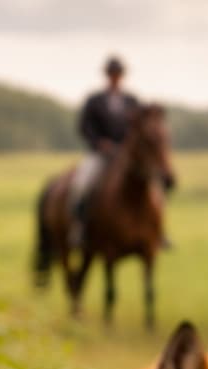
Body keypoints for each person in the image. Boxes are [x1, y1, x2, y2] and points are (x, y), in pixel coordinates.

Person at [69, 56, 138, 249]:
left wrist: (128, 146)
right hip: (99, 154)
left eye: (118, 74)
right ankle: (79, 227)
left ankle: (157, 230)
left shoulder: (131, 101)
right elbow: (84, 126)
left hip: (125, 156)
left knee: (151, 185)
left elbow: (138, 129)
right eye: (112, 74)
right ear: (107, 76)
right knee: (81, 184)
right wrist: (99, 142)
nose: (115, 78)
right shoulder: (94, 100)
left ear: (122, 76)